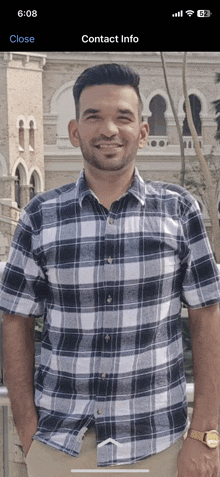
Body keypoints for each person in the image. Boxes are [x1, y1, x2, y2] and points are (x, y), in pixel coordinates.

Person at [0, 63, 220, 477]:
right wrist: (28, 431)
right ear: (73, 131)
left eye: (123, 117)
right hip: (58, 443)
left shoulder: (179, 211)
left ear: (141, 129)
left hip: (159, 444)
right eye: (93, 117)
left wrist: (205, 433)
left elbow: (207, 315)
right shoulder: (40, 217)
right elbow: (15, 319)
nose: (108, 129)